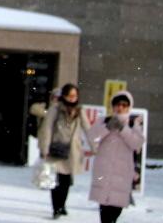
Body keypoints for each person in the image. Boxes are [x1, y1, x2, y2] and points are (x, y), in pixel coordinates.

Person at [38, 83, 93, 219]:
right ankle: (56, 208)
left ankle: (62, 205)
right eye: (69, 95)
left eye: (74, 95)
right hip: (56, 148)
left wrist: (95, 146)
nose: (72, 98)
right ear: (64, 96)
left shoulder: (80, 110)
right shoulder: (55, 109)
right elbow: (47, 128)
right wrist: (45, 148)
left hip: (72, 150)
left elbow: (88, 128)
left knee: (66, 180)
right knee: (55, 180)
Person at [89, 91, 144, 223]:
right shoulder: (104, 120)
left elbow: (137, 143)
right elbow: (92, 138)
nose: (120, 107)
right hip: (104, 170)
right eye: (117, 104)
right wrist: (108, 127)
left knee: (116, 209)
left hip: (122, 173)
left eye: (124, 105)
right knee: (104, 209)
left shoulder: (133, 123)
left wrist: (123, 129)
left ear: (129, 107)